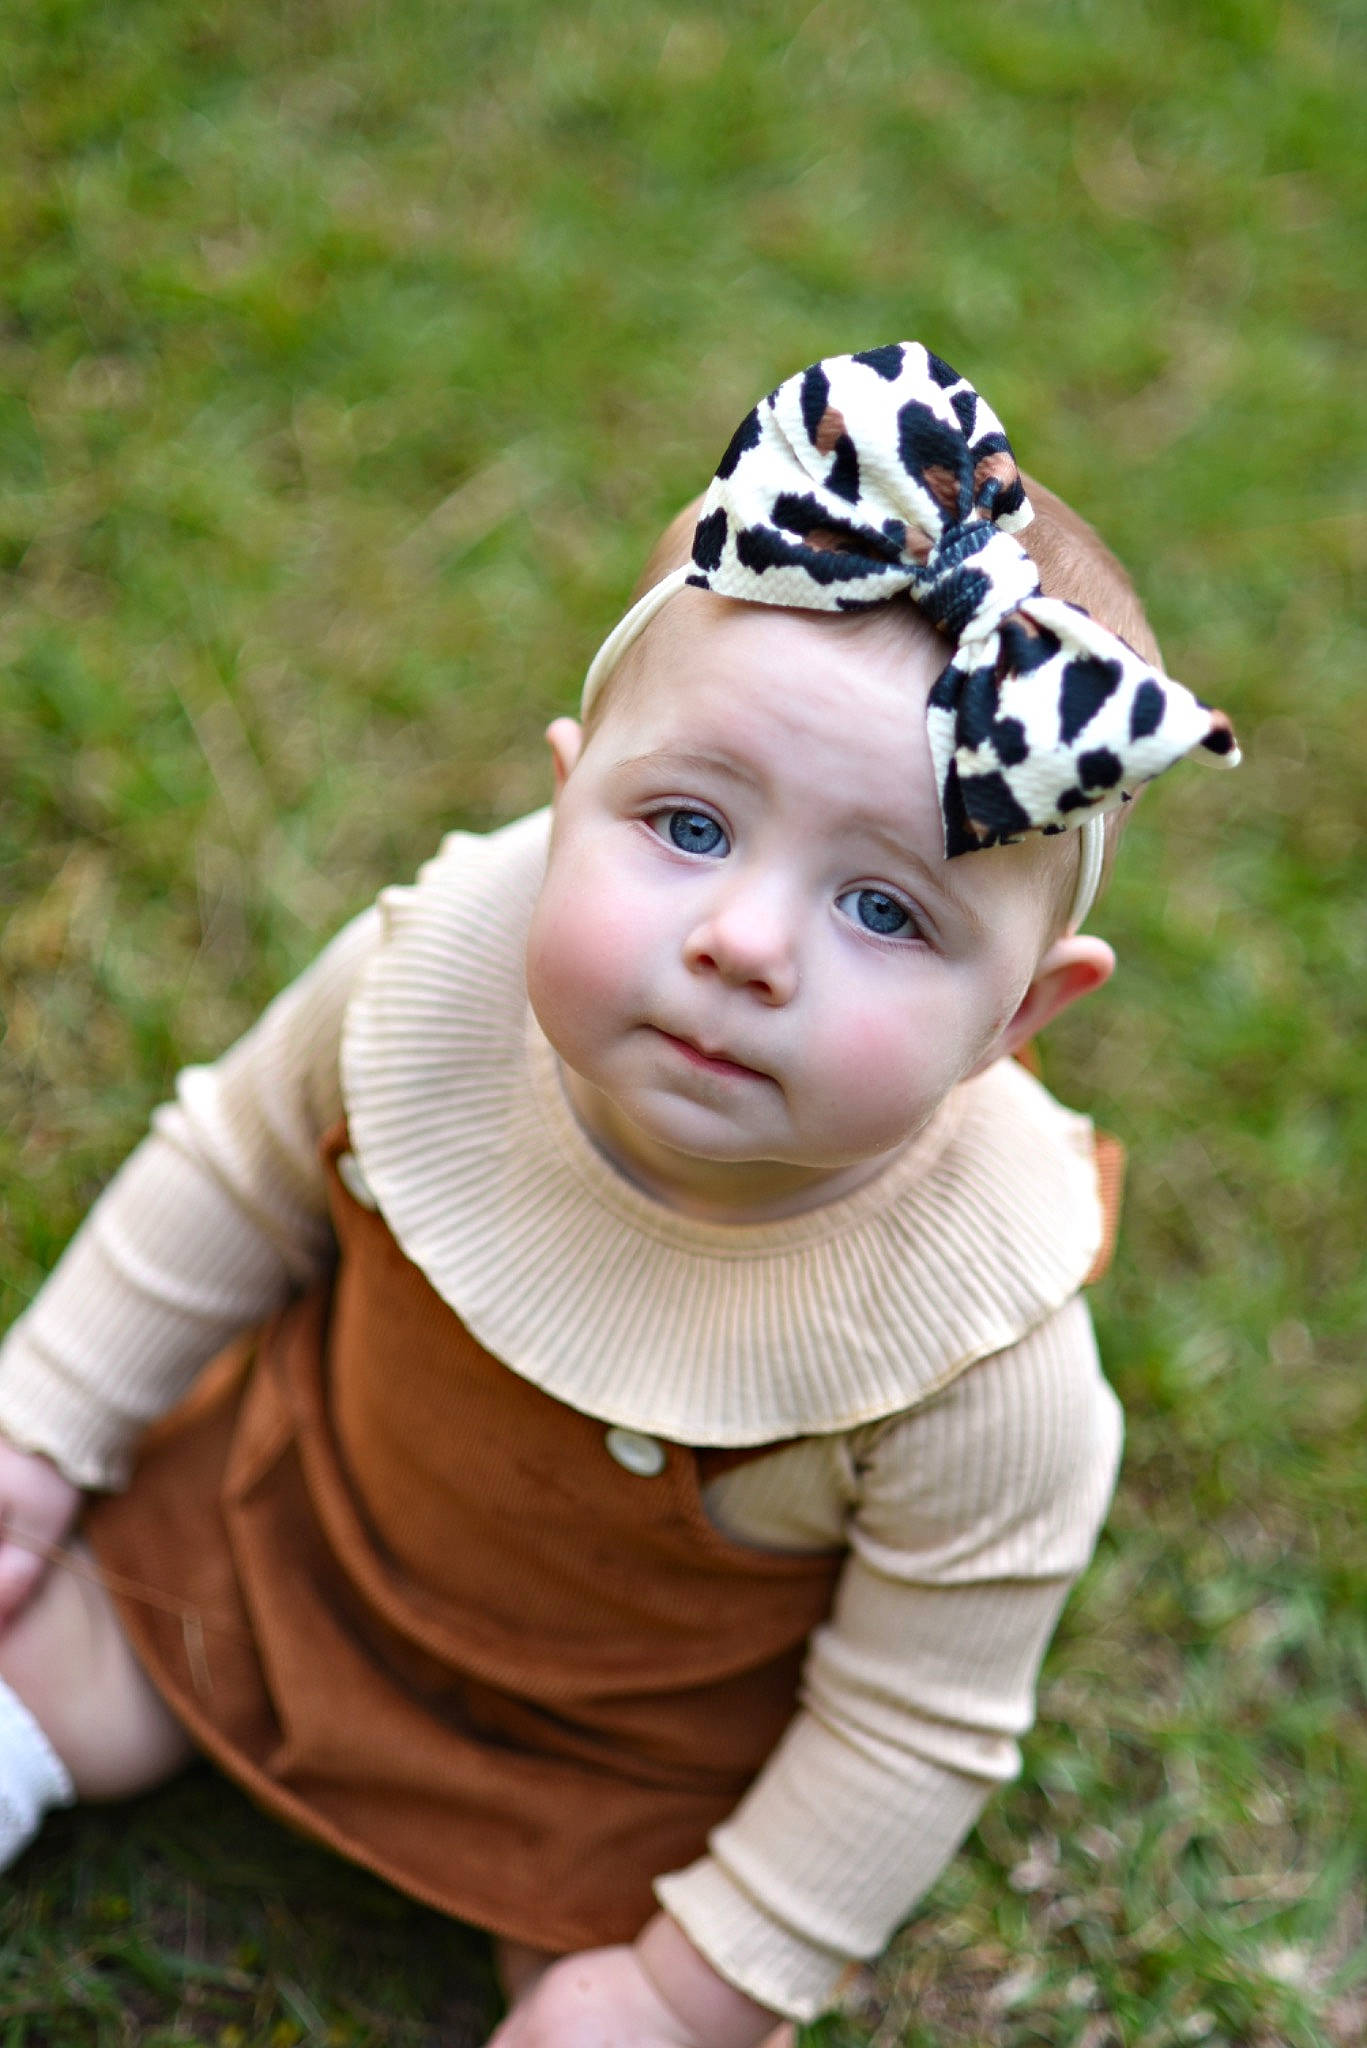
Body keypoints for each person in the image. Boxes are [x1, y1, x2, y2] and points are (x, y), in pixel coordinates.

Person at [0, 345, 1238, 2046]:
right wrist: (39, 1436)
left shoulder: (981, 1348)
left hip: (632, 1771)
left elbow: (912, 1723)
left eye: (887, 912)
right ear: (568, 788)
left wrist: (691, 1979)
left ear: (1021, 1019)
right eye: (686, 824)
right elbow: (232, 1171)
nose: (744, 942)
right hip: (295, 1531)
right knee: (67, 1643)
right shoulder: (428, 983)